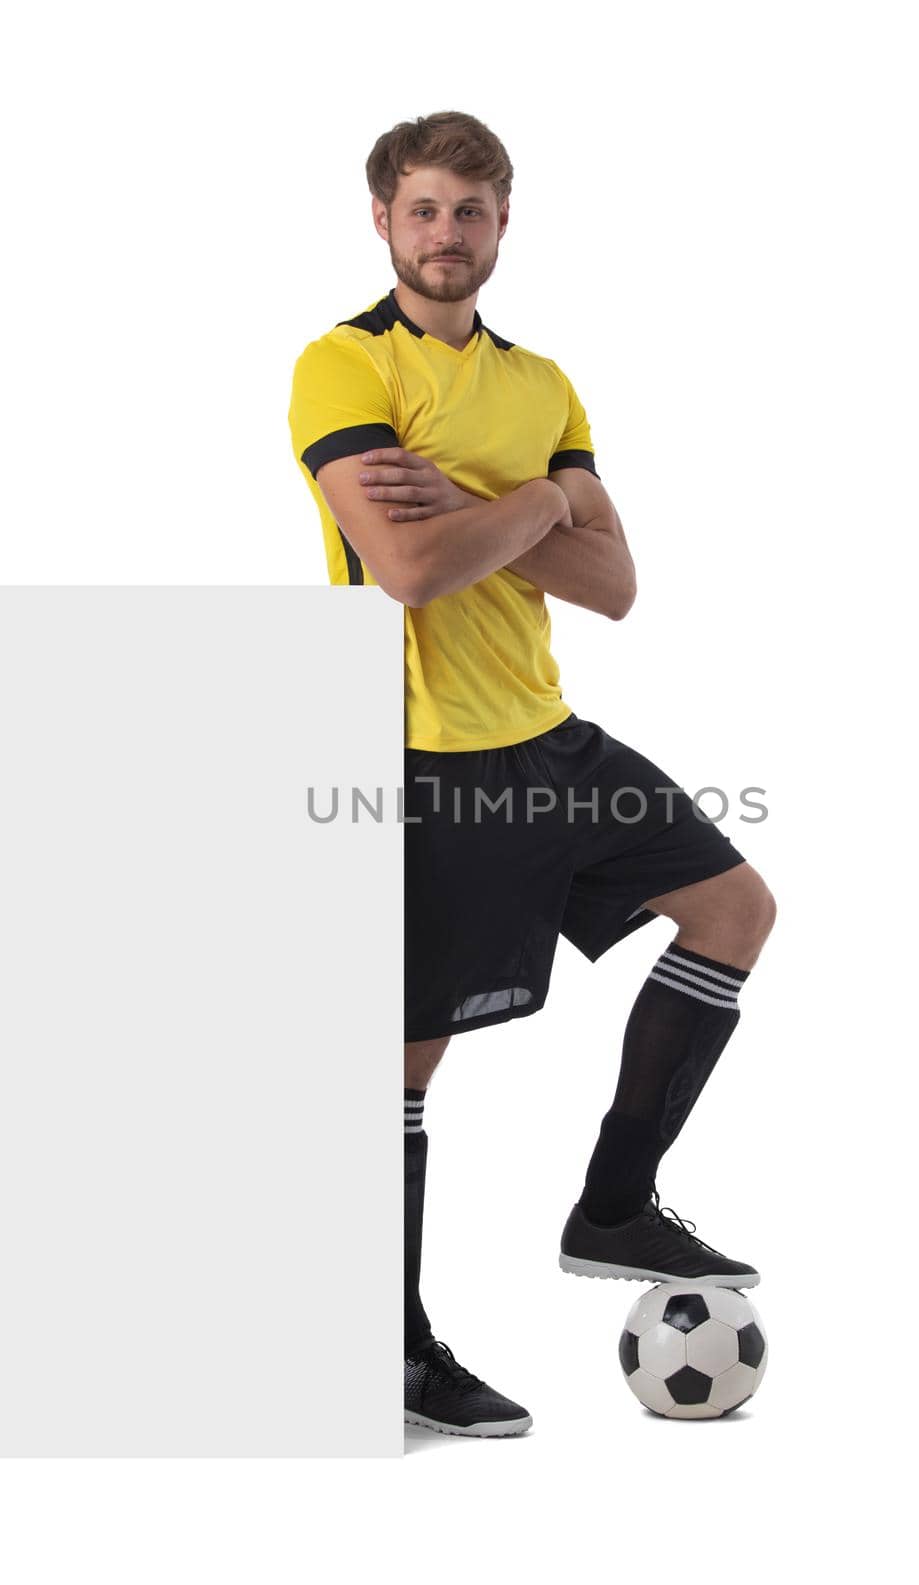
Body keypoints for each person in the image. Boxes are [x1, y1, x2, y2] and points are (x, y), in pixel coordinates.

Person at [288, 111, 777, 1440]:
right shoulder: (342, 367)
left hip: (547, 733)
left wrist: (492, 501)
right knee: (402, 1062)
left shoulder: (546, 384)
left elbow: (615, 588)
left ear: (505, 226)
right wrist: (540, 508)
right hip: (420, 751)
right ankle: (387, 1352)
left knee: (734, 908)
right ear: (383, 222)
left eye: (473, 212)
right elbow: (410, 570)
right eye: (426, 210)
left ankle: (614, 1207)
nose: (449, 235)